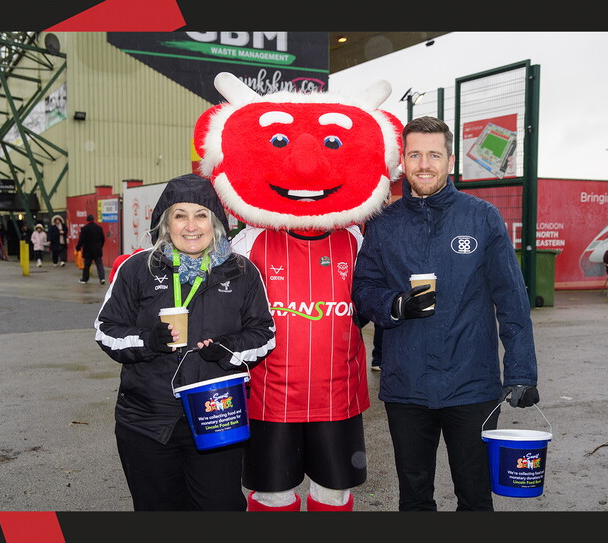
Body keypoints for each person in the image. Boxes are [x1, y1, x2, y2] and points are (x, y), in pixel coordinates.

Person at [193, 72, 403, 511]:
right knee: (272, 493)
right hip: (267, 396)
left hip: (339, 394)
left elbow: (376, 296)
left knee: (334, 491)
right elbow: (207, 295)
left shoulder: (356, 240)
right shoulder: (247, 242)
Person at [352, 116, 541, 511]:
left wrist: (521, 372)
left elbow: (511, 299)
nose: (424, 164)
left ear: (450, 161)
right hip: (406, 385)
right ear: (402, 161)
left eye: (434, 155)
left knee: (475, 497)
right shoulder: (383, 225)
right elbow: (363, 290)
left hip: (472, 385)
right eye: (415, 155)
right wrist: (394, 305)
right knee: (414, 498)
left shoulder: (481, 217)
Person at [93, 173, 276, 511]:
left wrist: (229, 348)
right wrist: (148, 342)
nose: (191, 226)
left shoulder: (241, 272)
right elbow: (106, 330)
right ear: (166, 223)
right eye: (180, 216)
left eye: (201, 215)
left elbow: (264, 334)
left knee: (220, 509)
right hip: (148, 420)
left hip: (218, 415)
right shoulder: (138, 268)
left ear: (216, 222)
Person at [76, 213, 106, 284]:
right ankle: (102, 278)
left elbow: (81, 240)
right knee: (99, 265)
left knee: (87, 266)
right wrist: (100, 246)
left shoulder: (84, 229)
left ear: (87, 220)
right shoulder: (99, 228)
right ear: (93, 219)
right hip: (97, 250)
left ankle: (84, 279)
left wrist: (78, 247)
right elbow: (103, 239)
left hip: (88, 251)